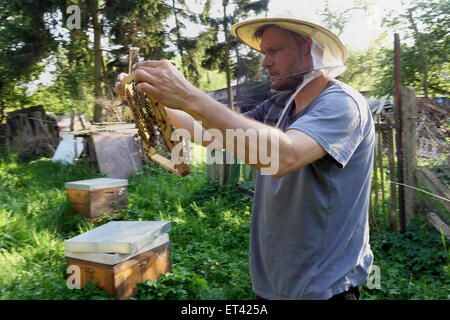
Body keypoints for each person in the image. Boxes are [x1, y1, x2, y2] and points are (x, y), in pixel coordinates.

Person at [115, 17, 375, 300]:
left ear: (308, 48)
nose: (265, 63)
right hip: (274, 283)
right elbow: (209, 133)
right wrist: (150, 102)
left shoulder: (343, 104)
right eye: (264, 53)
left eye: (274, 51)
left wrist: (190, 95)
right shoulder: (279, 104)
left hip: (326, 288)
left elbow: (283, 156)